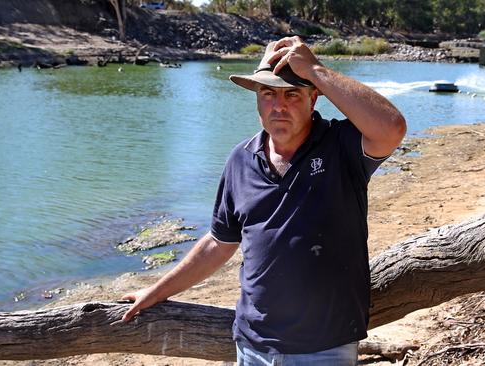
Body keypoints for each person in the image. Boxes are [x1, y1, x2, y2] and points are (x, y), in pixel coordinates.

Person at [121, 36, 406, 365]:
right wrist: (155, 292)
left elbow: (392, 128)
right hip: (253, 346)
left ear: (314, 98)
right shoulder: (240, 159)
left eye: (292, 94)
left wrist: (315, 69)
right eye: (268, 93)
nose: (279, 106)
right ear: (257, 99)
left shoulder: (340, 147)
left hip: (325, 348)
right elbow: (218, 242)